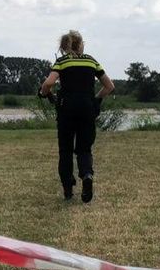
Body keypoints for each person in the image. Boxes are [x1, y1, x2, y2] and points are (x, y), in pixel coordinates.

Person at [39, 31, 114, 202]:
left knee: (65, 150)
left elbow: (49, 83)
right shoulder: (91, 61)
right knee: (84, 148)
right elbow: (109, 86)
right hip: (87, 108)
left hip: (67, 109)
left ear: (64, 47)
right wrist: (95, 100)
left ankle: (67, 189)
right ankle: (87, 174)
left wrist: (45, 93)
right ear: (81, 44)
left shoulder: (62, 62)